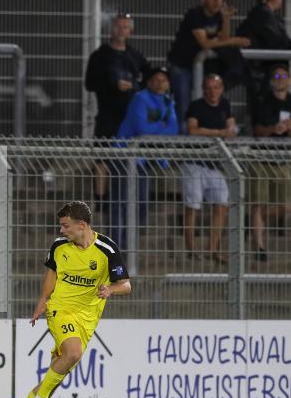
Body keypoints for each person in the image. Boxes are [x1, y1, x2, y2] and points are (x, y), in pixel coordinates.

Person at [5, 201, 131, 398]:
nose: (61, 230)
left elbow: (126, 285)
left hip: (88, 318)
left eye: (65, 226)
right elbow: (51, 275)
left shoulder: (107, 249)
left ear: (81, 225)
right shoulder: (59, 246)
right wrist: (42, 301)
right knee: (73, 353)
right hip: (60, 309)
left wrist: (110, 289)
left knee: (57, 373)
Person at [109, 67, 179, 247]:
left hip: (143, 160)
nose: (160, 83)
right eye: (155, 79)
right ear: (148, 82)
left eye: (163, 80)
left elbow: (174, 129)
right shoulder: (140, 99)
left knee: (141, 202)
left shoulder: (167, 101)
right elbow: (141, 128)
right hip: (124, 156)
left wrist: (156, 129)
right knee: (122, 202)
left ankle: (129, 244)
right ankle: (116, 245)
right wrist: (162, 127)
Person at [84, 13, 150, 205]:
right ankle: (101, 200)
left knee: (131, 158)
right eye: (118, 26)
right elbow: (90, 83)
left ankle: (129, 200)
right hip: (108, 114)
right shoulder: (100, 55)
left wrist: (135, 88)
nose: (121, 30)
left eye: (125, 27)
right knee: (103, 157)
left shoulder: (135, 56)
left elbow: (149, 80)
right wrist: (113, 85)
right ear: (111, 30)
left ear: (131, 31)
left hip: (130, 117)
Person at [166, 0, 250, 132]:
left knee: (204, 102)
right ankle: (181, 143)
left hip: (200, 66)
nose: (216, 1)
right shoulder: (194, 15)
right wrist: (234, 41)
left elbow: (222, 39)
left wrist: (225, 19)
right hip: (182, 66)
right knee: (183, 105)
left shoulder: (219, 15)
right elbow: (204, 42)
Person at [183, 74, 237, 262]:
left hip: (214, 164)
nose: (212, 91)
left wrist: (229, 131)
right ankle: (191, 249)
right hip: (194, 163)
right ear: (203, 88)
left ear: (221, 89)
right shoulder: (196, 106)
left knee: (222, 203)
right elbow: (193, 129)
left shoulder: (225, 105)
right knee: (193, 206)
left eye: (215, 87)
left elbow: (231, 127)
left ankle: (212, 249)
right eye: (208, 88)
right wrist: (219, 133)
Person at [250, 62, 291, 261]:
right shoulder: (262, 101)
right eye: (276, 76)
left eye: (283, 76)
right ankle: (259, 247)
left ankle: (256, 222)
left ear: (289, 80)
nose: (280, 80)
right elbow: (257, 130)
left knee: (286, 204)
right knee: (258, 202)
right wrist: (273, 129)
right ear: (270, 81)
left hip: (283, 159)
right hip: (262, 158)